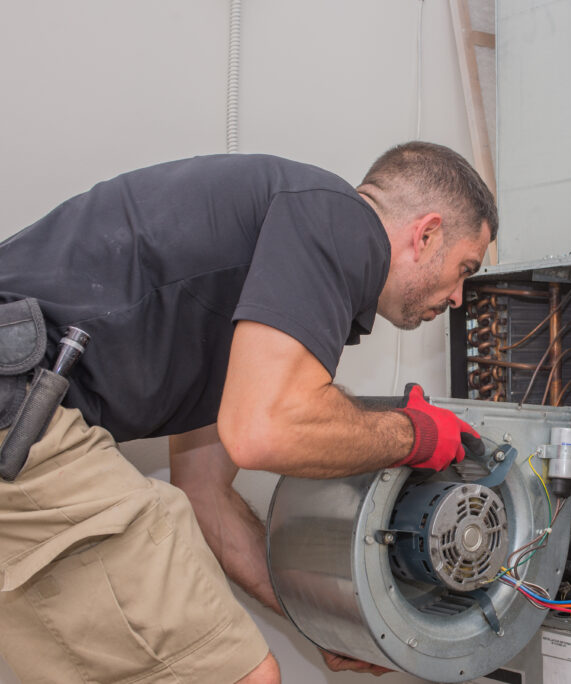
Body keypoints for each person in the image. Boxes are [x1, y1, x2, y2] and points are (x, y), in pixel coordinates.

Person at [0, 142, 497, 682]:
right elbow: (264, 432)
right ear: (425, 234)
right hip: (22, 410)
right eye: (465, 268)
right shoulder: (340, 221)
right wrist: (417, 435)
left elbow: (205, 494)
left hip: (23, 419)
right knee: (245, 675)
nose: (458, 297)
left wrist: (315, 621)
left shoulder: (262, 276)